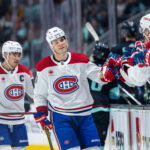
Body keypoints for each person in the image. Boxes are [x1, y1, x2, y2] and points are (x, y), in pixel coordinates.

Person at [33, 27, 115, 150]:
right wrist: (42, 114)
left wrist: (108, 71)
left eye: (62, 39)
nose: (60, 43)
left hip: (85, 116)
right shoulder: (43, 66)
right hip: (61, 116)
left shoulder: (81, 59)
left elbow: (100, 77)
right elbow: (40, 94)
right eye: (56, 42)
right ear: (51, 46)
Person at [0, 41, 34, 150]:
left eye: (19, 55)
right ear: (5, 55)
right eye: (14, 54)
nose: (17, 58)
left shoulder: (25, 72)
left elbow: (35, 94)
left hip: (19, 121)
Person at [88, 42, 120, 149]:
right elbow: (114, 94)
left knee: (87, 140)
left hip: (86, 109)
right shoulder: (110, 71)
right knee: (100, 140)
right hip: (102, 109)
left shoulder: (86, 68)